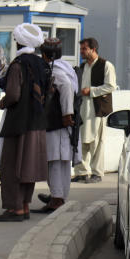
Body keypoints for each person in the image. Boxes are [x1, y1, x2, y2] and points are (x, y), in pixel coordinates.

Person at [0, 23, 50, 221]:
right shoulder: (40, 64)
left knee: (12, 167)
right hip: (37, 123)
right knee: (28, 168)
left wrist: (3, 102)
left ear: (19, 42)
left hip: (18, 123)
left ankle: (15, 209)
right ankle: (25, 206)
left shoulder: (18, 65)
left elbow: (12, 94)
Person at [37, 38, 80, 213]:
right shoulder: (67, 67)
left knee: (55, 160)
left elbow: (67, 88)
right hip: (65, 122)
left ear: (46, 54)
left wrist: (66, 114)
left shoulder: (56, 69)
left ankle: (56, 199)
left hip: (58, 122)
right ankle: (60, 196)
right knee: (63, 161)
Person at [72, 38, 116, 184]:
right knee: (80, 140)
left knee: (97, 141)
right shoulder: (82, 67)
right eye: (81, 49)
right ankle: (82, 172)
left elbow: (110, 86)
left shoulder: (106, 65)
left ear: (93, 49)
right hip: (82, 108)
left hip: (97, 109)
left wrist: (91, 91)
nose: (81, 52)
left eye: (84, 49)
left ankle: (97, 173)